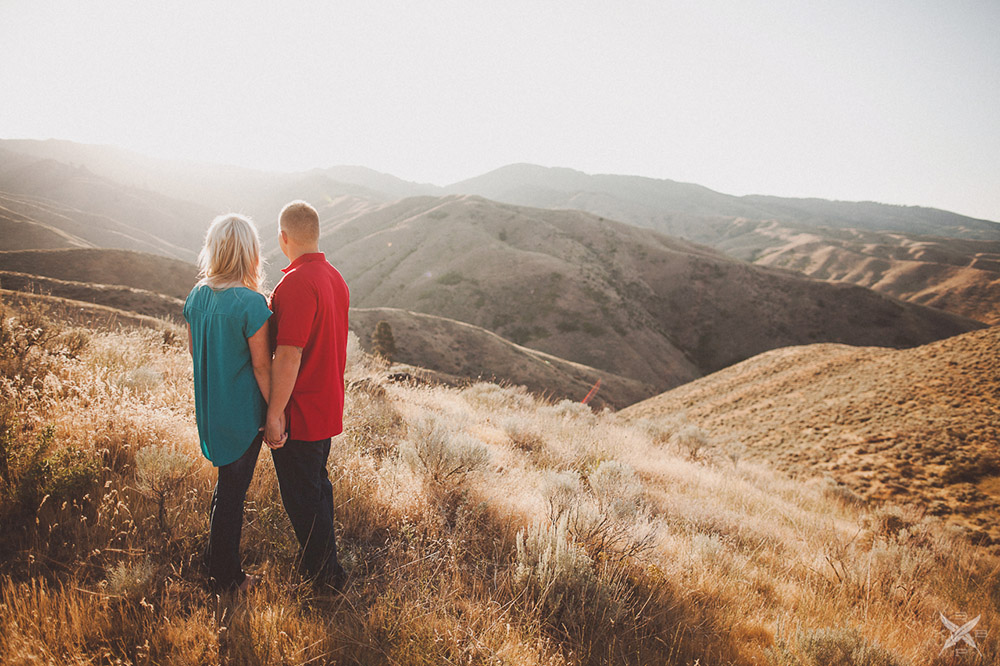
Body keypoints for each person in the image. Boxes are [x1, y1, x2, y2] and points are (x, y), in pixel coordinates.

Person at [184, 213, 281, 593]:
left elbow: (196, 352)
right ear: (251, 254)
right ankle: (226, 577)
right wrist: (276, 412)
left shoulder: (197, 295)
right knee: (233, 496)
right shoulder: (252, 303)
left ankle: (213, 559)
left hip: (211, 409)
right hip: (242, 414)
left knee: (226, 488)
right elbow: (262, 367)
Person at [263, 200, 350, 590]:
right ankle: (329, 571)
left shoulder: (295, 284)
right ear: (315, 234)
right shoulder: (336, 278)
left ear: (284, 238)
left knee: (303, 500)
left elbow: (289, 354)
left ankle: (324, 581)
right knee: (317, 491)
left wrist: (274, 413)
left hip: (301, 410)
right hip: (325, 403)